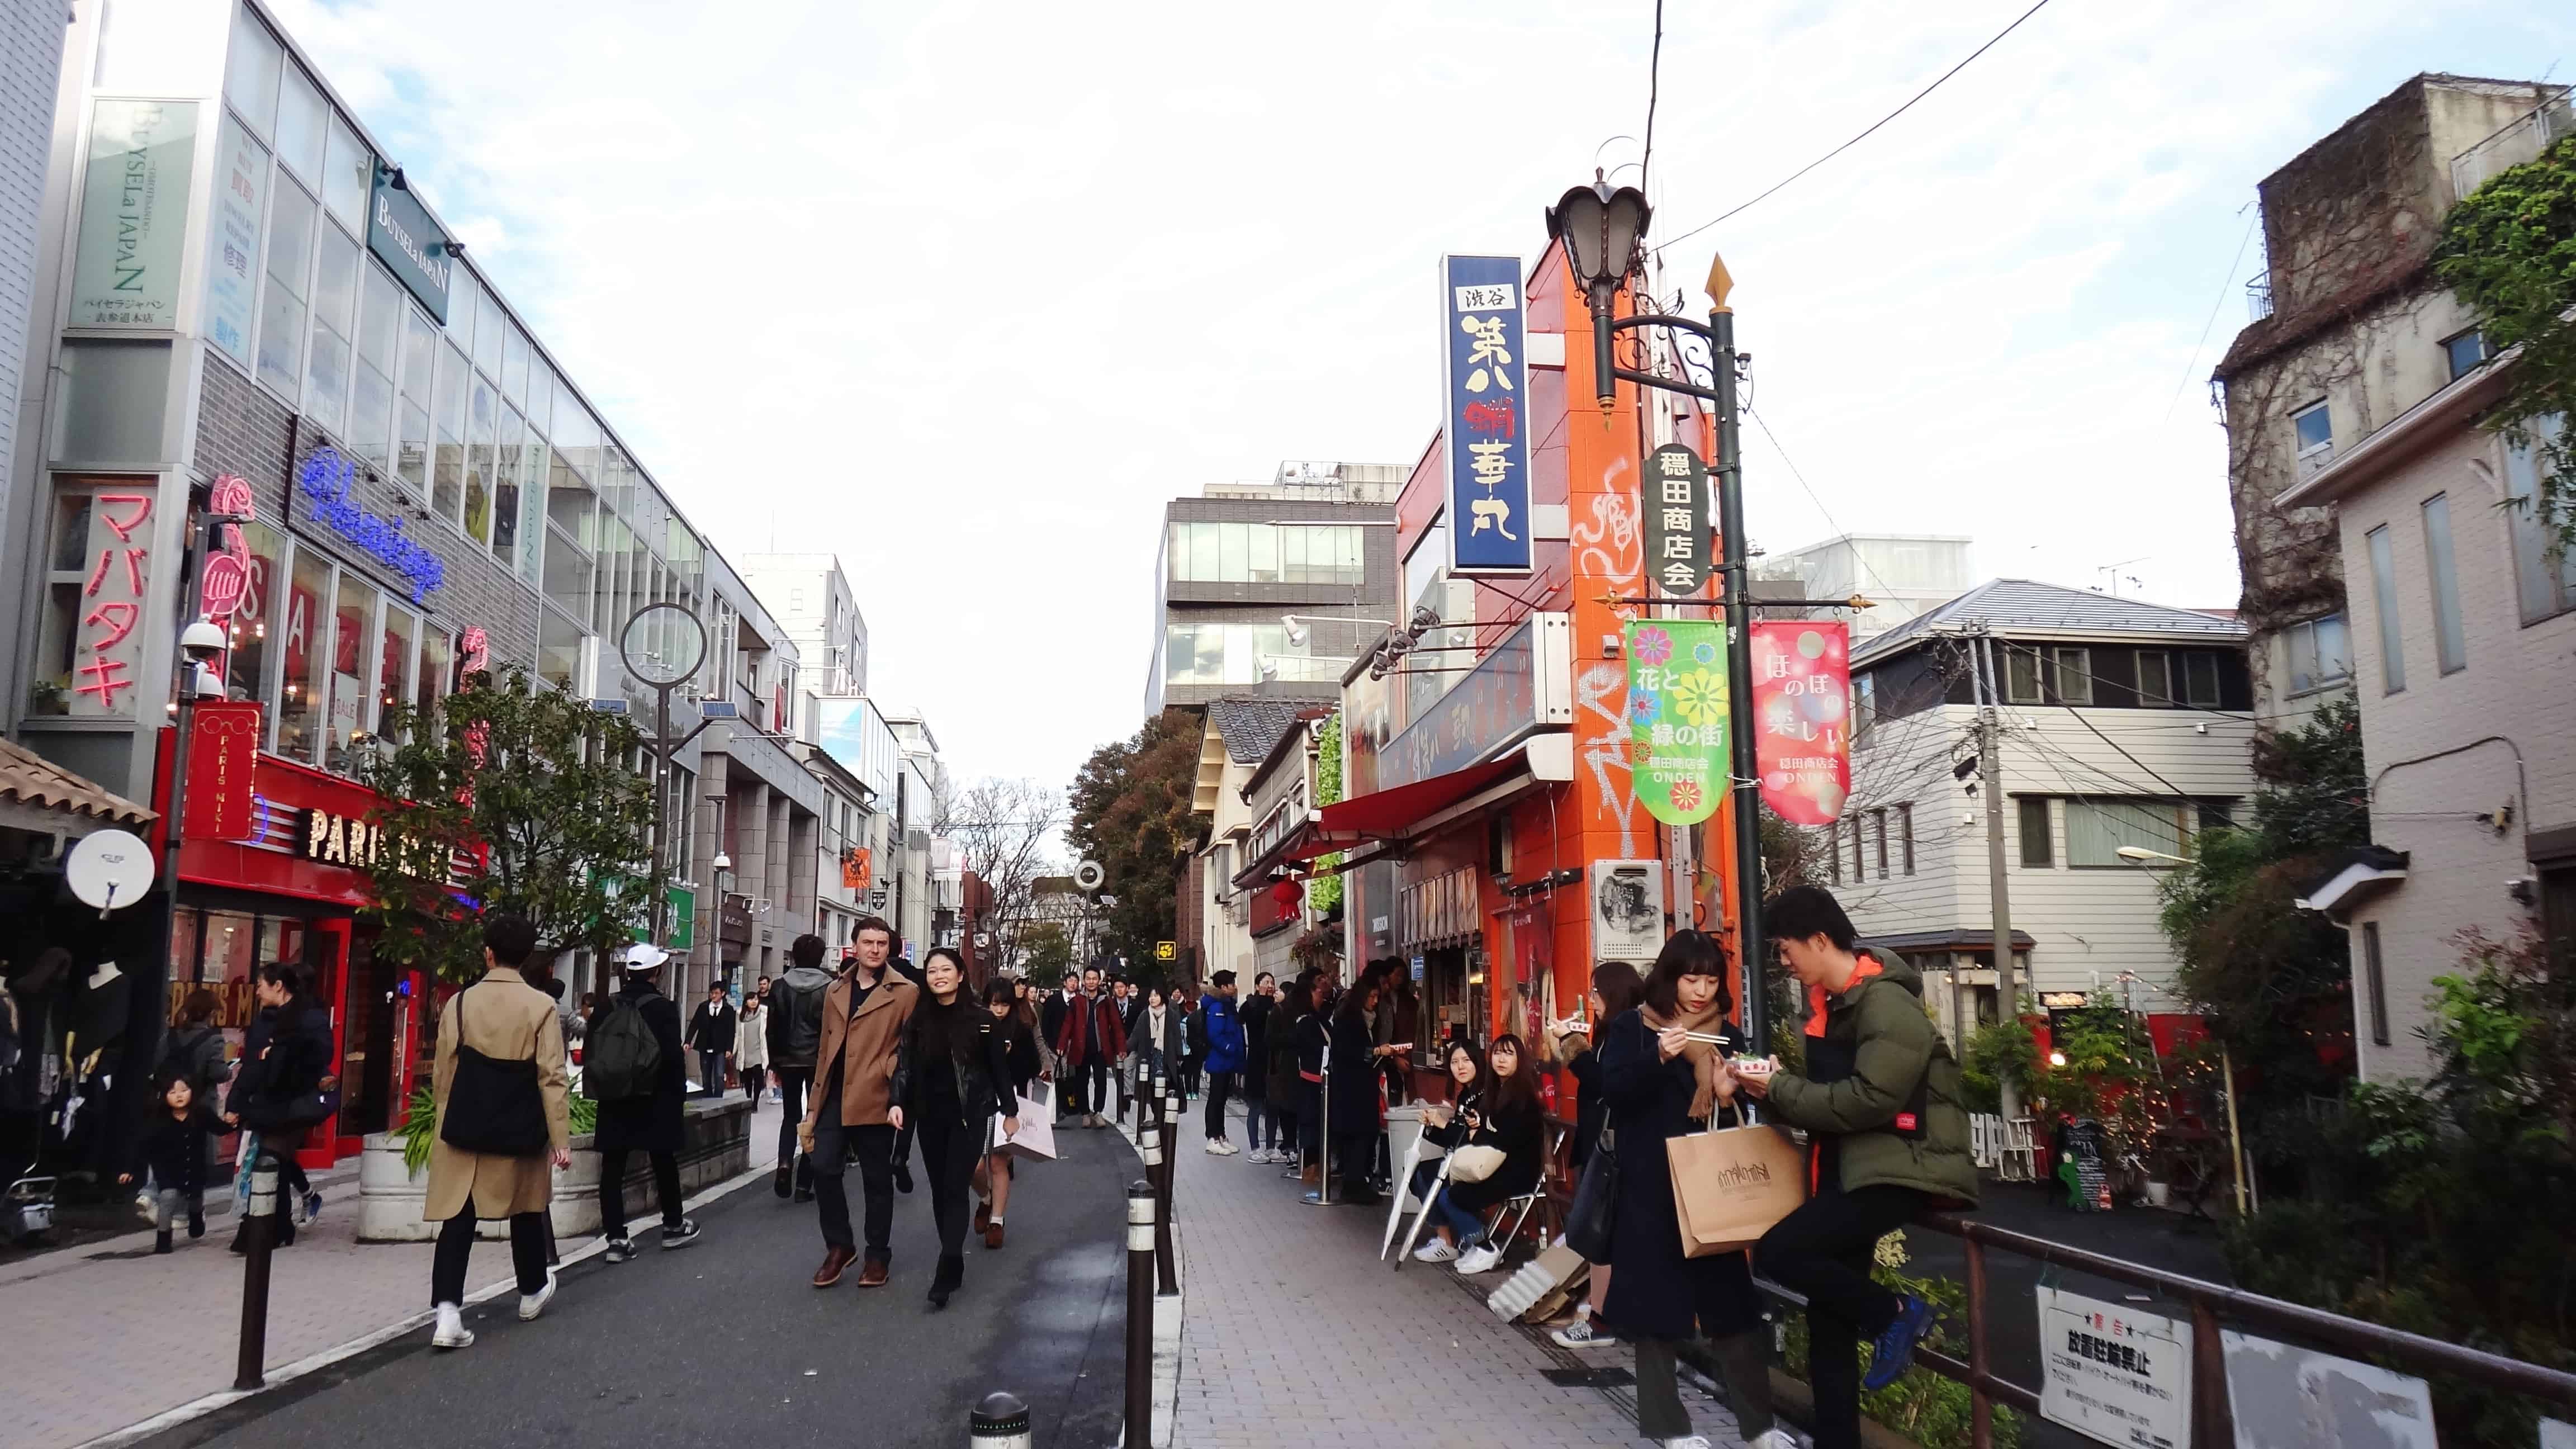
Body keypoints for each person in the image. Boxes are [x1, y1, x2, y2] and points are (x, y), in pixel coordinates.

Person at [1740, 887, 1977, 1449]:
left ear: (1819, 940)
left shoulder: (1884, 1003)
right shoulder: (1840, 1002)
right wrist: (1770, 1087)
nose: (1784, 962)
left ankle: (1895, 1311)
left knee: (1780, 1253)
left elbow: (1871, 1099)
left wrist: (1777, 1086)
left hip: (1896, 1170)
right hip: (1849, 1168)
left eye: (1785, 948)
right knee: (1828, 1326)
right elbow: (1828, 1099)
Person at [1597, 930, 1783, 1449]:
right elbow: (1612, 1090)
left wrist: (1732, 1091)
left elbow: (1745, 1111)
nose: (1701, 991)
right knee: (1655, 1315)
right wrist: (1656, 1058)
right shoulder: (1635, 1027)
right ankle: (1668, 1427)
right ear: (1669, 978)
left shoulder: (1728, 1033)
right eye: (1690, 978)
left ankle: (1759, 1427)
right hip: (1652, 1190)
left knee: (1734, 1311)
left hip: (1713, 1188)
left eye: (1710, 980)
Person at [422, 914, 574, 1349]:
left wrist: (444, 1118)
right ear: (526, 958)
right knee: (527, 1205)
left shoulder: (461, 1002)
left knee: (458, 1216)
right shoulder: (541, 1006)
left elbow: (444, 1072)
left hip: (465, 1123)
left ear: (488, 953)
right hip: (518, 1122)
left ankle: (448, 1312)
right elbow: (552, 1077)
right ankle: (531, 1290)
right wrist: (560, 1140)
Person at [891, 948, 1017, 1308]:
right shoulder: (918, 1021)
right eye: (932, 971)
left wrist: (1009, 1110)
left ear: (961, 975)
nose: (939, 976)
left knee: (955, 1187)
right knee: (939, 1191)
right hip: (930, 1117)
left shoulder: (981, 1020)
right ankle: (954, 1255)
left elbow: (998, 1069)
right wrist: (897, 1102)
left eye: (946, 969)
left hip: (969, 1117)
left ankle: (947, 1264)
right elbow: (904, 1067)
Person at [799, 915, 918, 1289]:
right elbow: (824, 1052)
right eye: (868, 943)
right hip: (835, 1094)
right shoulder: (836, 990)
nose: (875, 950)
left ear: (889, 948)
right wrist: (813, 1107)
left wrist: (892, 1078)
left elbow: (910, 1049)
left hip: (877, 1095)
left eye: (882, 944)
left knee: (877, 1180)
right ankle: (840, 1245)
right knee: (822, 1167)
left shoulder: (905, 992)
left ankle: (877, 1255)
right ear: (855, 946)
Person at [1550, 959, 1645, 1350]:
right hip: (1603, 1144)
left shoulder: (1627, 1034)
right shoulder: (1615, 1032)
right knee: (1601, 1233)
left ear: (1613, 993)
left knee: (1600, 1233)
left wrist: (1570, 1045)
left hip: (1610, 1149)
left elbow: (1603, 1082)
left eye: (1595, 992)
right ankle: (1603, 1312)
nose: (1591, 1000)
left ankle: (1602, 1319)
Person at [590, 945, 701, 1261]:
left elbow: (596, 1053)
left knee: (612, 1167)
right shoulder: (663, 1008)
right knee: (663, 1161)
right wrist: (678, 1094)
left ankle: (616, 1239)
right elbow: (672, 1058)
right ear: (657, 972)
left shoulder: (605, 1007)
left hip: (614, 1097)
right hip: (655, 1097)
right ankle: (673, 1225)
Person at [226, 963, 334, 1248]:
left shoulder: (310, 1018)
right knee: (278, 1163)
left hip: (295, 1102)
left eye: (262, 984)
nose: (258, 990)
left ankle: (261, 1230)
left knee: (270, 1158)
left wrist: (284, 1050)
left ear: (278, 986)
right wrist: (236, 1101)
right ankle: (281, 1227)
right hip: (265, 1102)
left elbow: (321, 1056)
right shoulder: (263, 1020)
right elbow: (252, 1065)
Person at [1310, 977, 1398, 1205]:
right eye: (1372, 997)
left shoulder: (1371, 1020)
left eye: (1378, 997)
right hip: (1350, 1089)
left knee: (1365, 1137)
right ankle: (1354, 1184)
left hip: (1363, 1086)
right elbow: (1348, 1052)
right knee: (1356, 1137)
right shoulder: (1349, 1019)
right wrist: (1377, 1051)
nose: (1375, 1002)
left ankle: (1359, 1182)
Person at [120, 1071, 229, 1252]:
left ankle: (196, 1217)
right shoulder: (158, 1120)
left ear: (192, 1092)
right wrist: (129, 1170)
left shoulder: (201, 1113)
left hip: (195, 1168)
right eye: (172, 1092)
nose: (179, 1096)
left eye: (183, 1090)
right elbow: (143, 1147)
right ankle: (163, 1239)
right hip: (167, 1169)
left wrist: (233, 1123)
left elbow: (219, 1128)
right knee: (168, 1197)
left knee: (195, 1196)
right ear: (164, 1096)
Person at [975, 977, 1044, 1251]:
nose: (999, 1010)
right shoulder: (975, 1027)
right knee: (975, 1165)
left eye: (1004, 1005)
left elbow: (1031, 1067)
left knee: (998, 1163)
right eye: (994, 1004)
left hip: (1009, 1103)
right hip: (979, 1102)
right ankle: (985, 1198)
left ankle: (997, 1222)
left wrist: (1010, 1056)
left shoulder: (1021, 1029)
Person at [1403, 1038, 1485, 1257]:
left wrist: (1443, 1123)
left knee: (1436, 1183)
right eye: (1455, 1062)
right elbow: (1454, 1139)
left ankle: (1473, 1240)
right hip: (1463, 1159)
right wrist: (1432, 1127)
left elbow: (1471, 1139)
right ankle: (1445, 1240)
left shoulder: (1485, 1095)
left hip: (1481, 1162)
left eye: (1466, 1061)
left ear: (1478, 1061)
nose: (1461, 1067)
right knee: (1417, 1173)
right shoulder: (1467, 1095)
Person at [769, 935, 835, 1199]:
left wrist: (774, 1062)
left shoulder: (779, 986)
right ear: (820, 957)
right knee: (815, 1118)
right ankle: (804, 1183)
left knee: (790, 1115)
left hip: (788, 1059)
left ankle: (785, 1162)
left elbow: (771, 1029)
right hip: (818, 1061)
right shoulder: (830, 987)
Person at [1053, 967, 1125, 1130]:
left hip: (1101, 1049)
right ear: (1084, 981)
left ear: (1099, 981)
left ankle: (1098, 1112)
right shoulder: (1076, 1001)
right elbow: (1068, 1025)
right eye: (1088, 978)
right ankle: (1085, 1113)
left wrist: (1121, 1047)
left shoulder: (1106, 1001)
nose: (1091, 981)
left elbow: (1117, 1026)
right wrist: (1062, 1044)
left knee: (1101, 1082)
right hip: (1081, 1049)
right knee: (1081, 1082)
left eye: (1094, 979)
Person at [1194, 971, 1247, 1155]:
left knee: (1222, 1100)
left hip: (1227, 1061)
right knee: (1215, 1099)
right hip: (1219, 1060)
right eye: (1231, 984)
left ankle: (1221, 1136)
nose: (1234, 987)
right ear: (1223, 987)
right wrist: (1230, 1048)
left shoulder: (1228, 1004)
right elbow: (1215, 1034)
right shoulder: (1217, 1006)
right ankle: (1212, 1138)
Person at [1266, 973, 1310, 1177]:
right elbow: (1270, 1040)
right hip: (1287, 1067)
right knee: (1288, 1109)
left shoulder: (1310, 1012)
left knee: (1300, 1110)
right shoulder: (1280, 1011)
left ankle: (1301, 1150)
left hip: (1307, 1067)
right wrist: (1296, 1039)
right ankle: (1291, 1147)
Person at [156, 988, 230, 1100]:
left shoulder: (168, 1036)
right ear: (212, 1013)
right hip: (200, 1104)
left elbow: (157, 1064)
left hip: (170, 1102)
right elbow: (219, 1073)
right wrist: (228, 1072)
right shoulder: (214, 1040)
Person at [1238, 972, 1278, 1162]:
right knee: (1255, 1105)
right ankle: (1255, 1147)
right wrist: (1264, 1001)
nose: (1270, 986)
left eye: (1272, 982)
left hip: (1274, 1061)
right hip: (1256, 1060)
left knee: (1273, 1106)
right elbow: (1250, 1021)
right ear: (1257, 986)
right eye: (1266, 983)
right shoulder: (1250, 1005)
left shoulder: (1278, 1006)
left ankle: (1272, 1146)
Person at [1129, 982, 1186, 1098]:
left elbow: (1177, 1036)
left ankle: (1162, 1115)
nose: (1152, 999)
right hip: (1150, 1057)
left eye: (1156, 996)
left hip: (1166, 1057)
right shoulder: (1145, 1015)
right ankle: (1157, 1114)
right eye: (1151, 996)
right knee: (1151, 1088)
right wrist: (1124, 1050)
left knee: (1166, 1087)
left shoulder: (1172, 1015)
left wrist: (1180, 1055)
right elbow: (1135, 1035)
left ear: (1163, 997)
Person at [685, 982, 737, 1098]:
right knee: (706, 1075)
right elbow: (694, 1024)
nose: (713, 996)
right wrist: (687, 1041)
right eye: (712, 993)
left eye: (716, 993)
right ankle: (707, 1098)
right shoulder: (703, 1007)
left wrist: (729, 1049)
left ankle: (718, 1098)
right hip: (704, 1045)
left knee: (719, 1075)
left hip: (720, 1047)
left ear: (723, 994)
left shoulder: (728, 1010)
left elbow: (731, 1031)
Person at [735, 991, 770, 1101]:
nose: (754, 1002)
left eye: (756, 999)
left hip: (759, 1050)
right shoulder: (740, 1014)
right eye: (751, 1000)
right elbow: (737, 1034)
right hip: (745, 1050)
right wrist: (733, 1050)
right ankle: (749, 1099)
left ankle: (755, 1103)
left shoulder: (764, 1013)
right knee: (748, 1078)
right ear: (746, 1002)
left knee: (759, 1077)